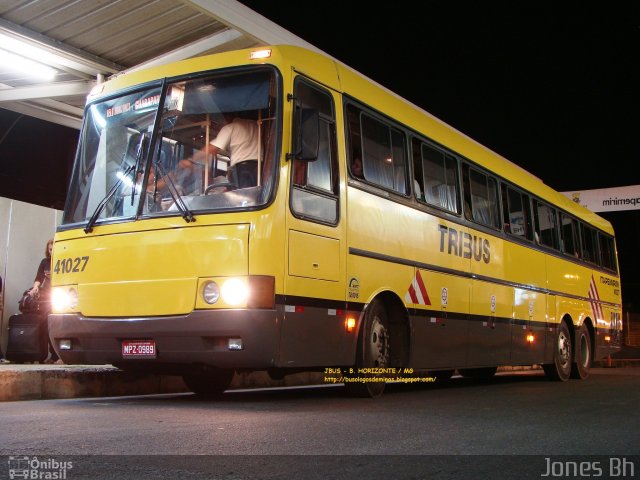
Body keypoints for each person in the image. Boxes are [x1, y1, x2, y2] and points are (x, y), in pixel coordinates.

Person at [27, 238, 58, 363]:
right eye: (50, 249)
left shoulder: (62, 261)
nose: (52, 252)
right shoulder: (45, 262)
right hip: (47, 295)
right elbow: (39, 277)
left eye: (54, 249)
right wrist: (35, 288)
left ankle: (59, 355)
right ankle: (51, 355)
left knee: (58, 324)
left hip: (59, 295)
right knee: (47, 324)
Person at [209, 116, 260, 188]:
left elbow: (211, 149)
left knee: (243, 194)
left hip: (241, 167)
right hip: (258, 166)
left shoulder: (230, 127)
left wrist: (191, 159)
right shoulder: (255, 125)